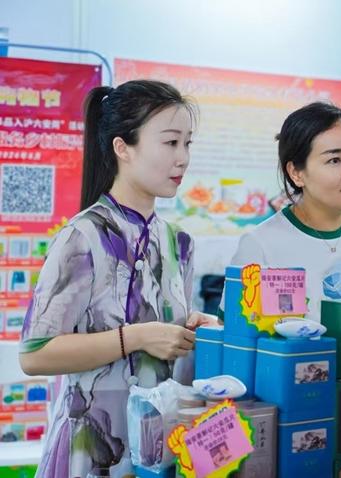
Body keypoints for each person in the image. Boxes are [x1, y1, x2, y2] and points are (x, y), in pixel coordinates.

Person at [19, 80, 215, 477]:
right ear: (123, 148)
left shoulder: (179, 243)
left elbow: (170, 341)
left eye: (187, 144)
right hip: (92, 451)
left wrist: (199, 329)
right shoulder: (81, 237)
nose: (182, 158)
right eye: (170, 142)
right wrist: (137, 337)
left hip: (161, 449)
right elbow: (34, 355)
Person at [220, 102, 341, 372]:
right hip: (292, 391)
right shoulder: (260, 245)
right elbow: (234, 341)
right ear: (296, 173)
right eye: (335, 160)